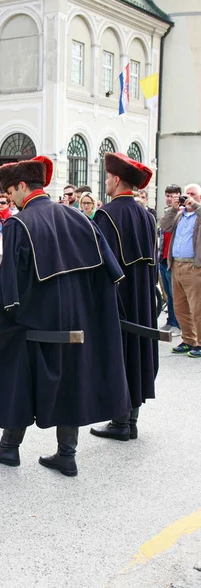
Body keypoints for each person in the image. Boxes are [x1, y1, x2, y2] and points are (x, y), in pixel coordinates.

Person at [0, 156, 131, 477]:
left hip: (37, 322)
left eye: (11, 190)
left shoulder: (18, 224)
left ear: (22, 187)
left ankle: (8, 447)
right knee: (71, 381)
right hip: (80, 320)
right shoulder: (79, 217)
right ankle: (66, 454)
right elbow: (111, 271)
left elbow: (9, 287)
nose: (11, 197)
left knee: (17, 375)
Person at [90, 152, 158, 441]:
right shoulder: (145, 214)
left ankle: (120, 421)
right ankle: (131, 420)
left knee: (118, 352)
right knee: (138, 350)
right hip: (142, 294)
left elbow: (100, 263)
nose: (106, 181)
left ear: (116, 180)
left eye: (107, 177)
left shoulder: (107, 214)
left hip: (118, 295)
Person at [160, 183, 201, 358]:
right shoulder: (179, 216)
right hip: (176, 265)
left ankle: (199, 342)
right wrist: (173, 208)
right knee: (180, 307)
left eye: (192, 194)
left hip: (194, 266)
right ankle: (188, 339)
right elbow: (164, 225)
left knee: (197, 307)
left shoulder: (198, 215)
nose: (187, 197)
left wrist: (196, 206)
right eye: (186, 194)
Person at [159, 184, 182, 336]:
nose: (169, 199)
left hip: (173, 259)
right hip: (163, 257)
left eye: (173, 196)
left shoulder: (181, 213)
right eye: (167, 195)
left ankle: (178, 323)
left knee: (175, 294)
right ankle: (170, 320)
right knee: (167, 292)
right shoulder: (167, 213)